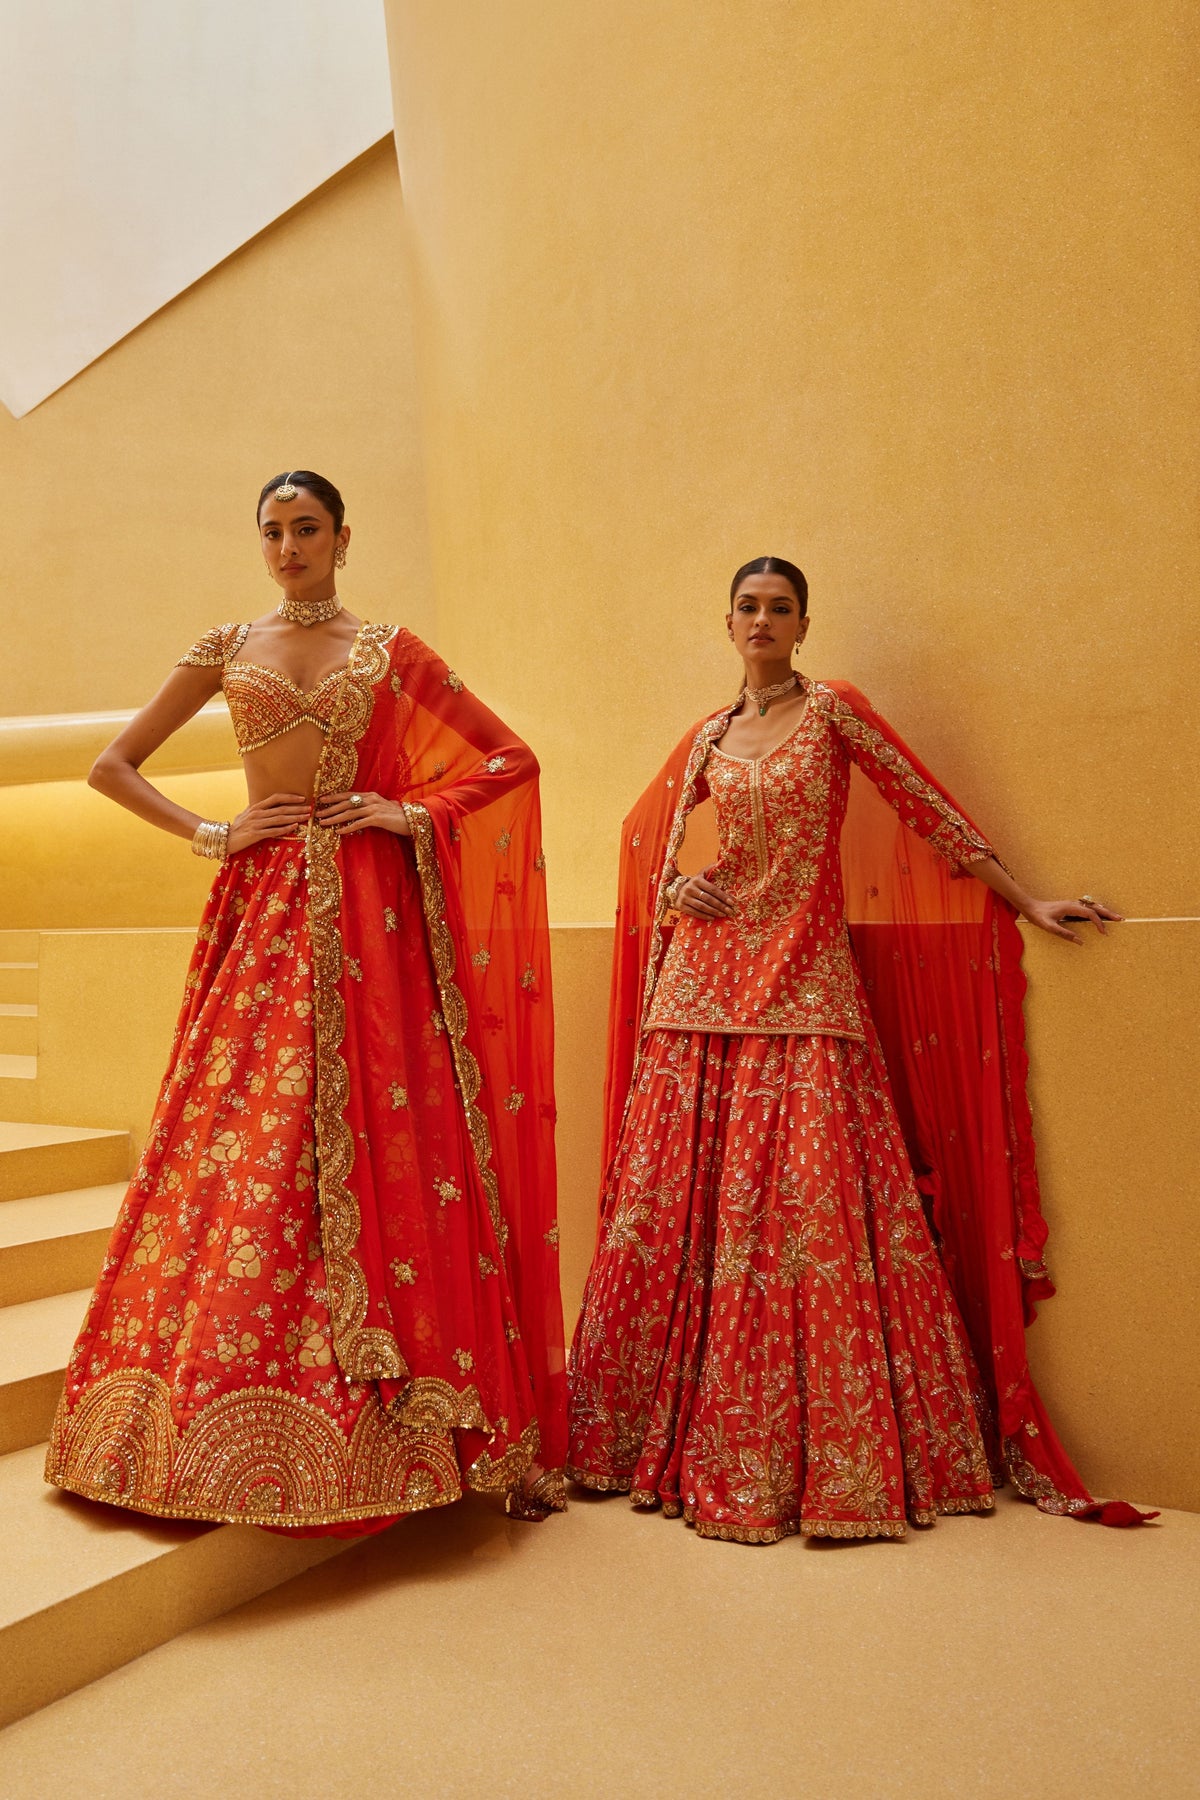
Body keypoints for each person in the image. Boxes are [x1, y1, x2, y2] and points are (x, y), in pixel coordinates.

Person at [567, 555, 1148, 1544]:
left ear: (801, 624)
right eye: (748, 607)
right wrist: (676, 891)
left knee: (809, 1218)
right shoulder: (709, 734)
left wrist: (1025, 897)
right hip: (701, 989)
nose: (762, 620)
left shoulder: (832, 712)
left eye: (779, 608)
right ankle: (636, 1443)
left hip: (804, 981)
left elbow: (930, 812)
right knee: (667, 1216)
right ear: (728, 622)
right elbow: (642, 847)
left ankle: (822, 1459)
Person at [46, 471, 566, 1534]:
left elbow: (512, 757)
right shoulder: (225, 647)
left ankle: (398, 1420)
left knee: (377, 1137)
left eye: (308, 529)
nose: (289, 548)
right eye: (274, 532)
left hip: (372, 924)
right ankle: (200, 1410)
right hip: (263, 906)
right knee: (245, 1135)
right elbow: (111, 765)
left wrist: (409, 810)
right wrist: (210, 832)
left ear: (342, 538)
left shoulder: (390, 651)